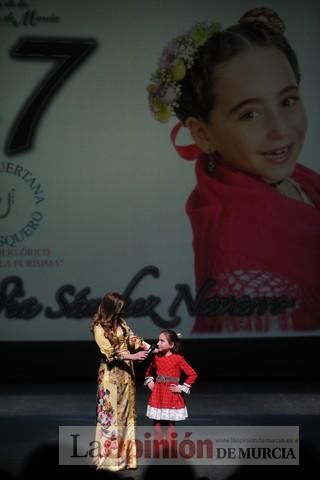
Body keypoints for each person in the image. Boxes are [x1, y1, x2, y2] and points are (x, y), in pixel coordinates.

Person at [147, 7, 320, 334]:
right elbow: (263, 370)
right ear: (202, 134)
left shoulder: (284, 176)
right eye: (250, 115)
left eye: (287, 101)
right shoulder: (240, 255)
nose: (280, 129)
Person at [90, 291, 150, 472]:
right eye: (119, 308)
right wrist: (133, 355)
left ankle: (126, 459)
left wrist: (149, 348)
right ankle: (109, 460)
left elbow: (132, 338)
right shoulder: (99, 327)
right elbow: (110, 352)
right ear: (111, 308)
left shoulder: (121, 323)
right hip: (110, 376)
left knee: (126, 415)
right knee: (110, 416)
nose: (123, 311)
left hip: (126, 375)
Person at [144, 330, 197, 454]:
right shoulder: (156, 357)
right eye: (158, 340)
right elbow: (148, 372)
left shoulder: (178, 359)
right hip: (158, 394)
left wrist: (182, 387)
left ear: (171, 345)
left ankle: (169, 449)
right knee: (156, 423)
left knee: (170, 423)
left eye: (162, 341)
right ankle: (158, 449)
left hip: (171, 393)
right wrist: (150, 381)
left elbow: (192, 374)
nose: (158, 343)